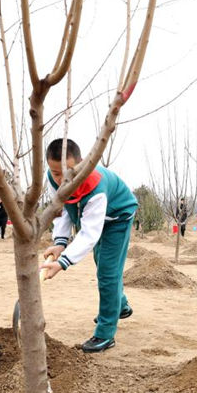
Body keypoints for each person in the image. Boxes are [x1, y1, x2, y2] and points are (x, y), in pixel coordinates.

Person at [40, 138, 138, 353]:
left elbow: (89, 233)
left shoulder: (96, 186)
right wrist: (59, 242)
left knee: (108, 272)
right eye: (56, 172)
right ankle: (119, 305)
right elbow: (63, 209)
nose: (62, 178)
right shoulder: (53, 178)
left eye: (68, 171)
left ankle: (105, 333)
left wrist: (64, 262)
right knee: (101, 262)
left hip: (117, 216)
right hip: (94, 218)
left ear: (82, 163)